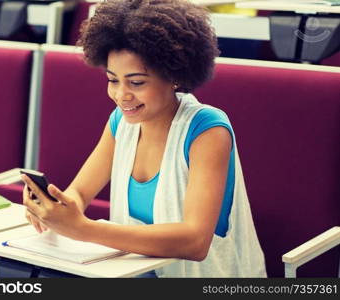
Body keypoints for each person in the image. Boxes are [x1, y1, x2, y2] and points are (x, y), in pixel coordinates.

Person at [21, 0, 267, 277]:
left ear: (174, 75)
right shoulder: (120, 122)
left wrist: (83, 229)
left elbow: (195, 242)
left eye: (136, 82)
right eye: (113, 80)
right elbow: (78, 194)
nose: (121, 95)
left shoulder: (207, 130)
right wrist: (56, 211)